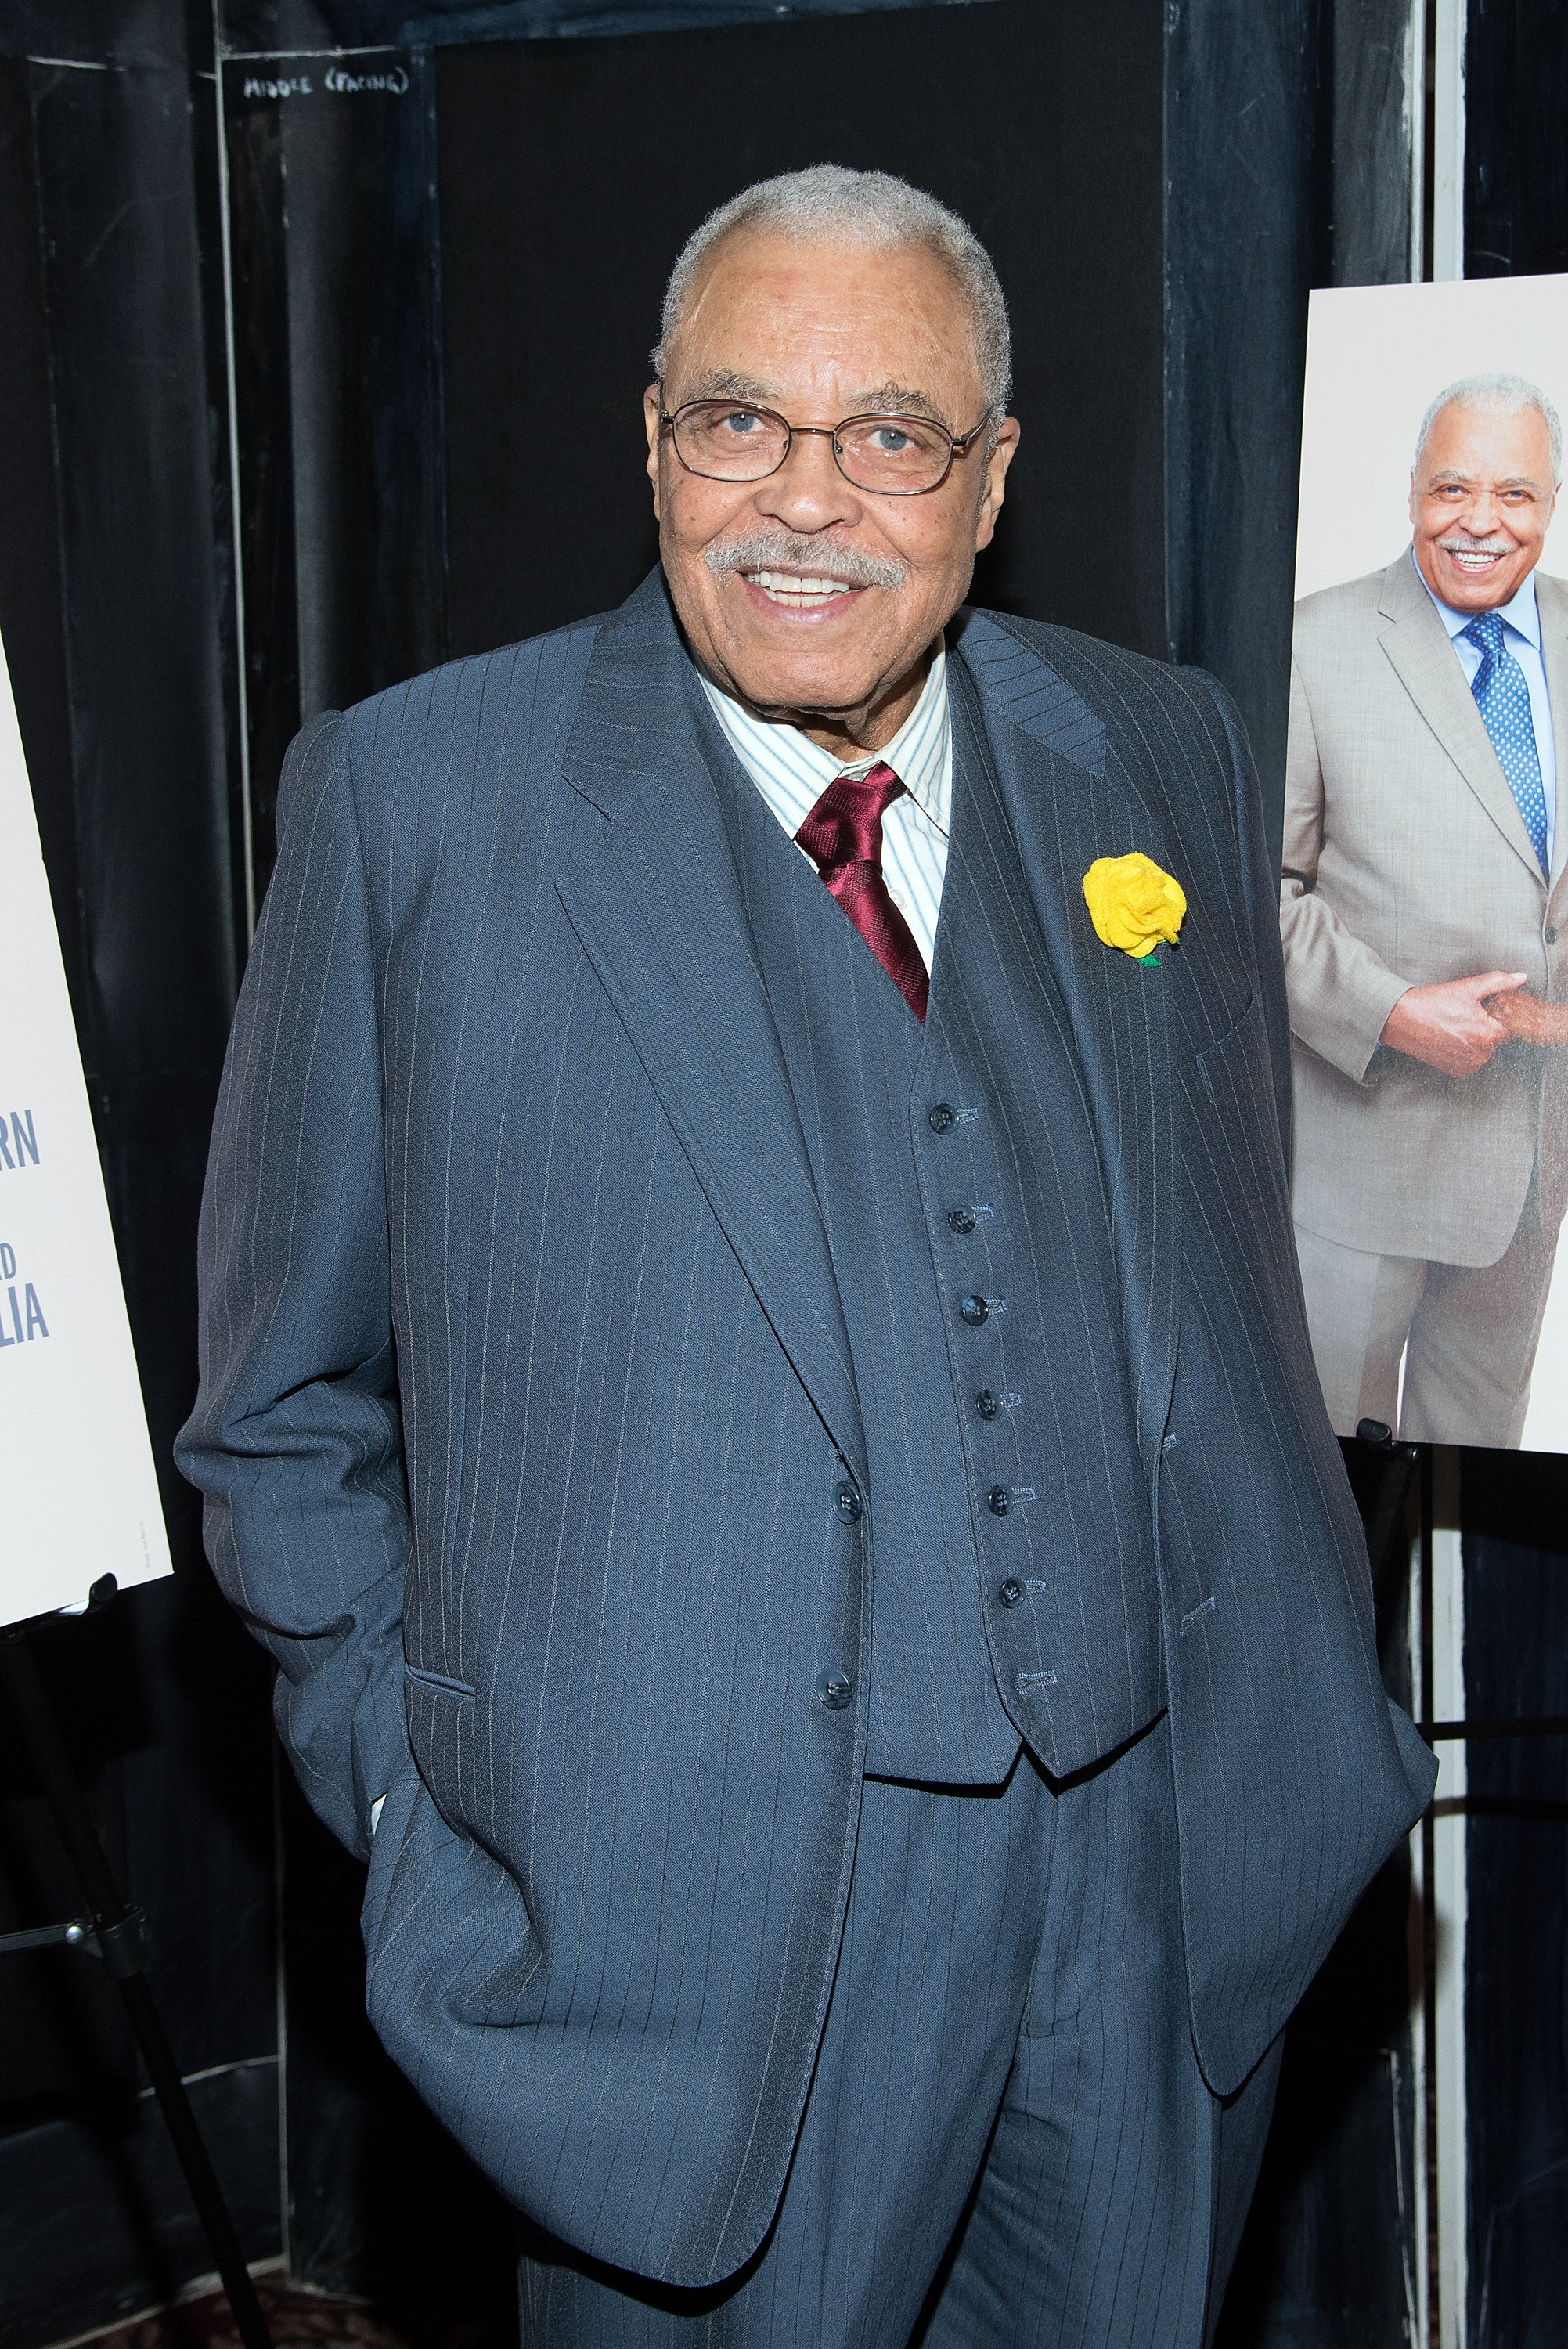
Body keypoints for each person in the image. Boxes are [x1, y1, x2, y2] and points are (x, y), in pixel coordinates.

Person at [178, 168, 1432, 2346]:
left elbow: (1232, 1255)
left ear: (992, 476)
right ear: (648, 433)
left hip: (1153, 1900)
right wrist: (418, 1791)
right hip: (691, 1941)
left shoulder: (1156, 747)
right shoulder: (424, 807)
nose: (803, 506)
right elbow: (280, 1409)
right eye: (735, 423)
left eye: (889, 439)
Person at [1282, 373, 1568, 1446]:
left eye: (1517, 495)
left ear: (1551, 502)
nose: (1482, 522)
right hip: (1361, 1167)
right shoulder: (1316, 644)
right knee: (1332, 1507)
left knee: (1478, 1494)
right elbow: (1254, 890)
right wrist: (1393, 1010)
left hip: (1534, 1174)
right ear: (1411, 492)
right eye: (1453, 488)